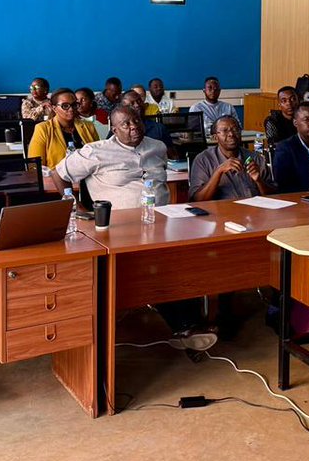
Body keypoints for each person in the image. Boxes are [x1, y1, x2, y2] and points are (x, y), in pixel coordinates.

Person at [57, 107, 214, 349]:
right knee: (155, 267)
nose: (133, 127)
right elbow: (60, 173)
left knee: (187, 255)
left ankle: (191, 324)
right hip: (119, 228)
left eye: (137, 121)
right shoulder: (96, 152)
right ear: (113, 128)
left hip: (161, 221)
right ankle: (186, 327)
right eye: (126, 124)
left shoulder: (157, 146)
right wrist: (74, 204)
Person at [28, 88, 99, 192]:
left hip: (89, 182)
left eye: (75, 105)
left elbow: (98, 155)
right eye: (65, 106)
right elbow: (34, 166)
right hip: (57, 185)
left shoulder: (88, 126)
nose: (71, 109)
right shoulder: (43, 129)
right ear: (54, 108)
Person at [189, 116, 273, 201]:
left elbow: (274, 197)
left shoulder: (255, 158)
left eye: (235, 129)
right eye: (225, 131)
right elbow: (198, 200)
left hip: (255, 211)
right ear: (215, 137)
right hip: (221, 212)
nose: (231, 134)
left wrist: (259, 181)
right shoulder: (203, 160)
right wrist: (219, 172)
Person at [120, 90, 173, 156]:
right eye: (132, 103)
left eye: (139, 101)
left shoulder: (159, 128)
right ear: (123, 108)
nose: (137, 105)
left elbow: (172, 156)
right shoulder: (119, 130)